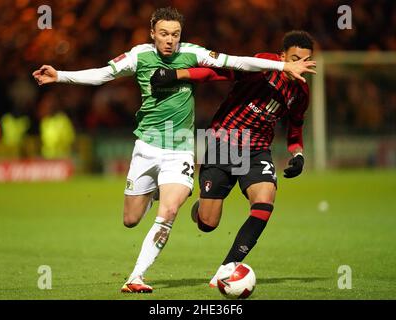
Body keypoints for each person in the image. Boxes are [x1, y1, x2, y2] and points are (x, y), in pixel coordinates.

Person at [32, 5, 316, 293]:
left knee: (176, 211)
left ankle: (147, 276)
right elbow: (104, 74)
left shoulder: (194, 53)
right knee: (141, 220)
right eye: (165, 34)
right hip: (161, 144)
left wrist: (298, 153)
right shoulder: (138, 55)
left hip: (190, 148)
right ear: (153, 33)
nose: (170, 40)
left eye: (176, 35)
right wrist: (61, 76)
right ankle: (167, 193)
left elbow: (236, 64)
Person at [151, 30, 315, 287]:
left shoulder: (301, 93)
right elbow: (220, 72)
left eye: (305, 61)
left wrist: (298, 154)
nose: (299, 66)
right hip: (224, 141)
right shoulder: (263, 66)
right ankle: (200, 208)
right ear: (282, 56)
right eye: (294, 59)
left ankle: (227, 267)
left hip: (257, 149)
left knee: (265, 200)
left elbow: (295, 129)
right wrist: (176, 74)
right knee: (208, 224)